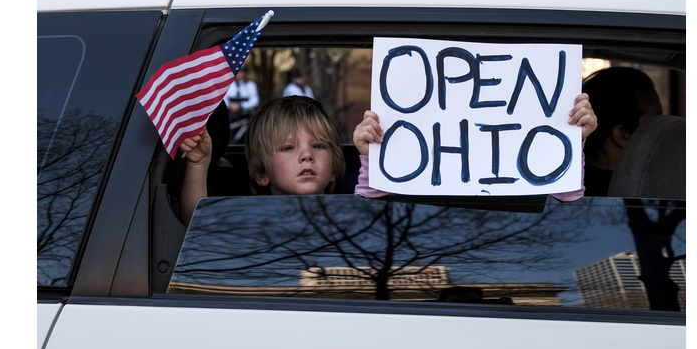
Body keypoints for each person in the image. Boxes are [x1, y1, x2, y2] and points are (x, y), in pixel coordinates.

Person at [352, 93, 598, 201]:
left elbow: (566, 200)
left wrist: (569, 139)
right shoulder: (414, 182)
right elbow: (370, 205)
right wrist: (375, 154)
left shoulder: (526, 180)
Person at [178, 96, 345, 226]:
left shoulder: (349, 217)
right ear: (261, 173)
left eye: (318, 146)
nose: (307, 155)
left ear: (334, 168)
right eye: (288, 148)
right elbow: (198, 224)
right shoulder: (248, 221)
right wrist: (198, 164)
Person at [581, 67, 663, 196]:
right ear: (622, 135)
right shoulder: (642, 194)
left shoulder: (567, 189)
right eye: (655, 122)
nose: (663, 130)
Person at [224, 67, 260, 144]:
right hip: (230, 117)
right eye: (239, 72)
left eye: (242, 72)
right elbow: (224, 98)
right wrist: (230, 106)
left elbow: (255, 101)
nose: (240, 74)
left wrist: (241, 106)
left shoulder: (251, 85)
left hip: (244, 117)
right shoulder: (229, 84)